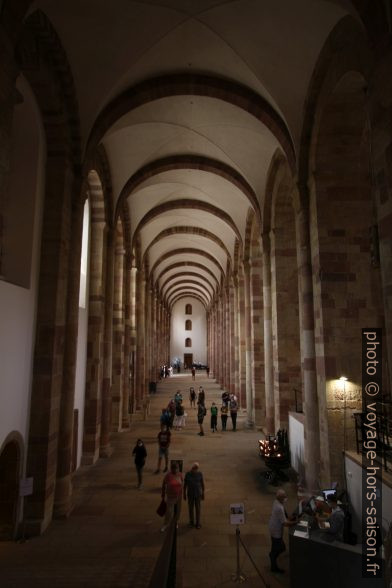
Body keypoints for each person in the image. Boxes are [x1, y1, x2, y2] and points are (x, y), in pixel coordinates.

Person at [268, 489, 297, 573]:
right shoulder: (279, 508)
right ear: (280, 498)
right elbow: (285, 523)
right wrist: (295, 522)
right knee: (278, 548)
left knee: (280, 546)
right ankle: (273, 565)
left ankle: (273, 555)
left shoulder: (276, 502)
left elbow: (284, 515)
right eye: (284, 496)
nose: (286, 497)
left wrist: (289, 518)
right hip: (276, 530)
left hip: (274, 527)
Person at [161, 461, 183, 532]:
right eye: (174, 469)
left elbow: (182, 483)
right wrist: (163, 493)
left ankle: (175, 522)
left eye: (177, 468)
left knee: (177, 511)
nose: (175, 470)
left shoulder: (180, 475)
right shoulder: (168, 475)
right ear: (171, 469)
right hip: (170, 497)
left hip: (179, 496)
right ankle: (166, 524)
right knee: (169, 511)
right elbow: (164, 484)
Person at [183, 462, 205, 529]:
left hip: (198, 494)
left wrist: (203, 493)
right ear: (192, 468)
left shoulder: (200, 474)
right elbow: (185, 485)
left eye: (196, 468)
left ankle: (198, 523)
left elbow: (202, 484)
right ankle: (191, 521)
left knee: (198, 509)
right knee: (190, 508)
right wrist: (184, 493)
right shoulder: (187, 474)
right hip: (190, 494)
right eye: (194, 468)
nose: (195, 469)